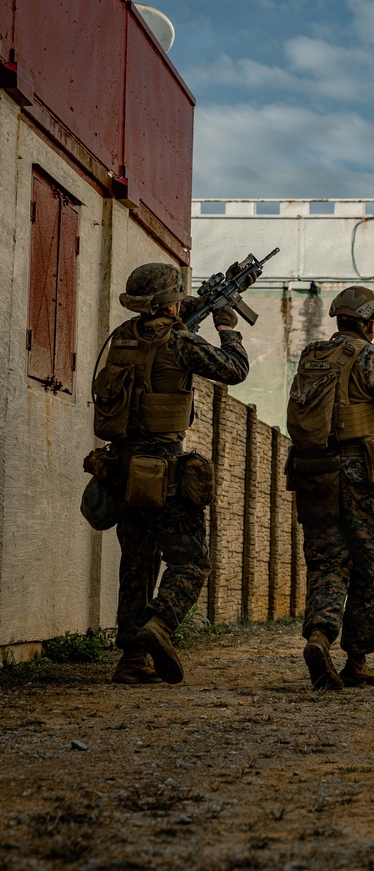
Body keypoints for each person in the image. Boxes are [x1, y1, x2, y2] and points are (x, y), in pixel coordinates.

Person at [94, 263, 250, 686]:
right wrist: (226, 323)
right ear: (168, 303)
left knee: (137, 563)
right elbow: (235, 369)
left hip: (122, 469)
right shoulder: (182, 343)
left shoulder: (123, 337)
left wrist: (193, 304)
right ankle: (159, 625)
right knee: (191, 561)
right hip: (164, 469)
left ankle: (131, 660)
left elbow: (158, 339)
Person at [285, 285, 374, 691]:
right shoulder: (369, 354)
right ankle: (357, 661)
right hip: (357, 474)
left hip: (314, 473)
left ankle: (319, 636)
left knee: (328, 560)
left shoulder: (312, 354)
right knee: (368, 562)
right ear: (368, 322)